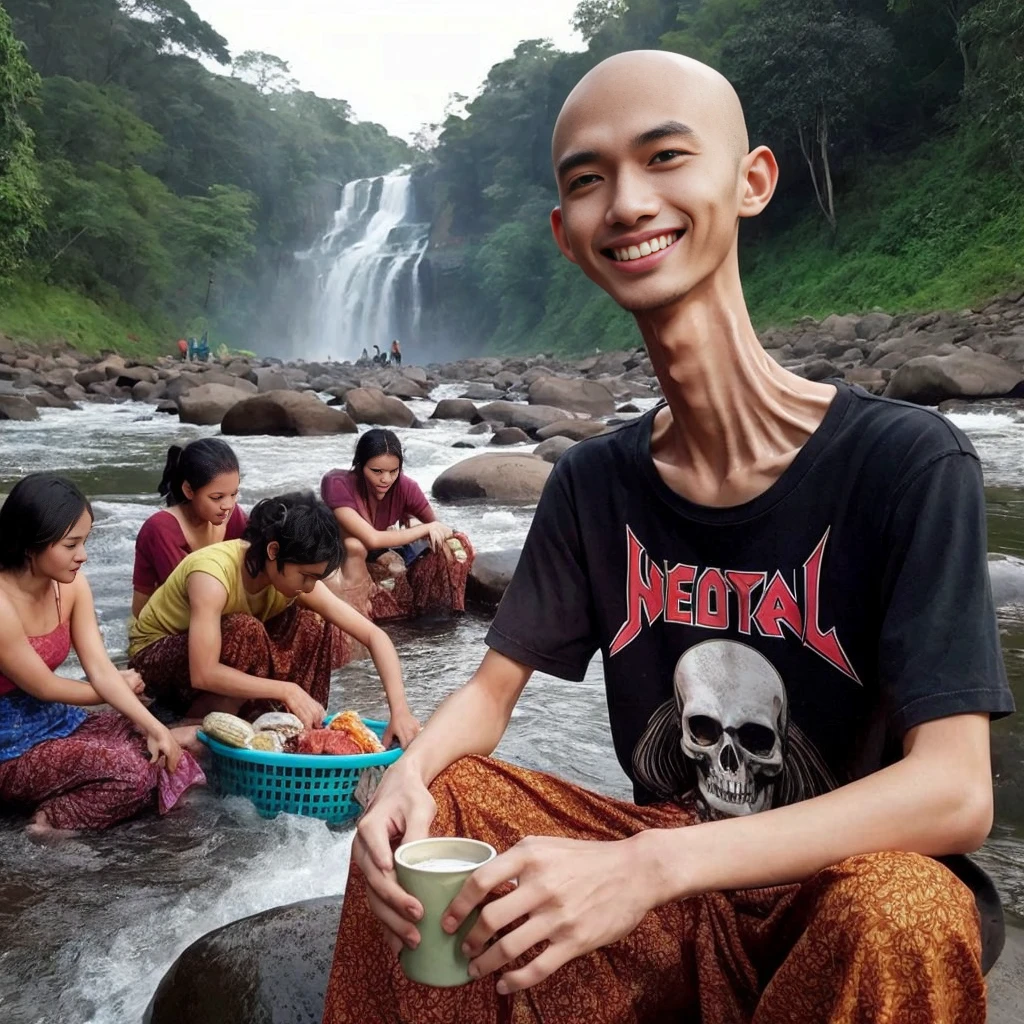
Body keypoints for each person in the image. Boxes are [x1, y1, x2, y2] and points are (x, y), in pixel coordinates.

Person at [322, 51, 1014, 1024]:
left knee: (902, 909)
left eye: (663, 158)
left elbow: (953, 791)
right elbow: (488, 695)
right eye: (589, 180)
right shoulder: (592, 483)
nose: (628, 201)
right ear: (568, 236)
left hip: (827, 891)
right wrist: (401, 775)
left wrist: (647, 864)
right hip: (666, 879)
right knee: (442, 808)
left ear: (751, 179)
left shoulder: (906, 463)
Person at [128, 491, 420, 746]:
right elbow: (202, 672)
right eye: (305, 576)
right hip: (155, 663)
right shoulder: (212, 575)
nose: (309, 587)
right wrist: (286, 689)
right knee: (245, 628)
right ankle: (195, 724)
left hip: (214, 661)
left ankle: (289, 727)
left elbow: (373, 636)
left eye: (315, 578)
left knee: (314, 624)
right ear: (273, 551)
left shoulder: (289, 575)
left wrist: (400, 711)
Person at [0, 474, 204, 832]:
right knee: (133, 773)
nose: (83, 555)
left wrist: (152, 726)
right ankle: (51, 820)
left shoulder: (72, 585)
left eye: (85, 542)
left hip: (60, 721)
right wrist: (118, 689)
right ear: (30, 544)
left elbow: (98, 667)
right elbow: (45, 686)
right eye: (70, 545)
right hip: (9, 748)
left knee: (157, 745)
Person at [321, 429, 474, 621]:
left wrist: (430, 531)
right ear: (360, 466)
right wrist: (424, 529)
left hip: (376, 550)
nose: (386, 479)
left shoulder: (406, 486)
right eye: (377, 471)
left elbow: (436, 525)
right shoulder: (336, 483)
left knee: (447, 548)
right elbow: (372, 538)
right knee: (355, 545)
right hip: (336, 550)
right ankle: (357, 614)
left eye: (393, 471)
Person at [132, 439, 247, 618]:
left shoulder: (234, 517)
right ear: (189, 490)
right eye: (217, 497)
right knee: (242, 626)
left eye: (234, 494)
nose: (228, 505)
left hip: (216, 616)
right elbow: (193, 598)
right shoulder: (161, 530)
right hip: (166, 629)